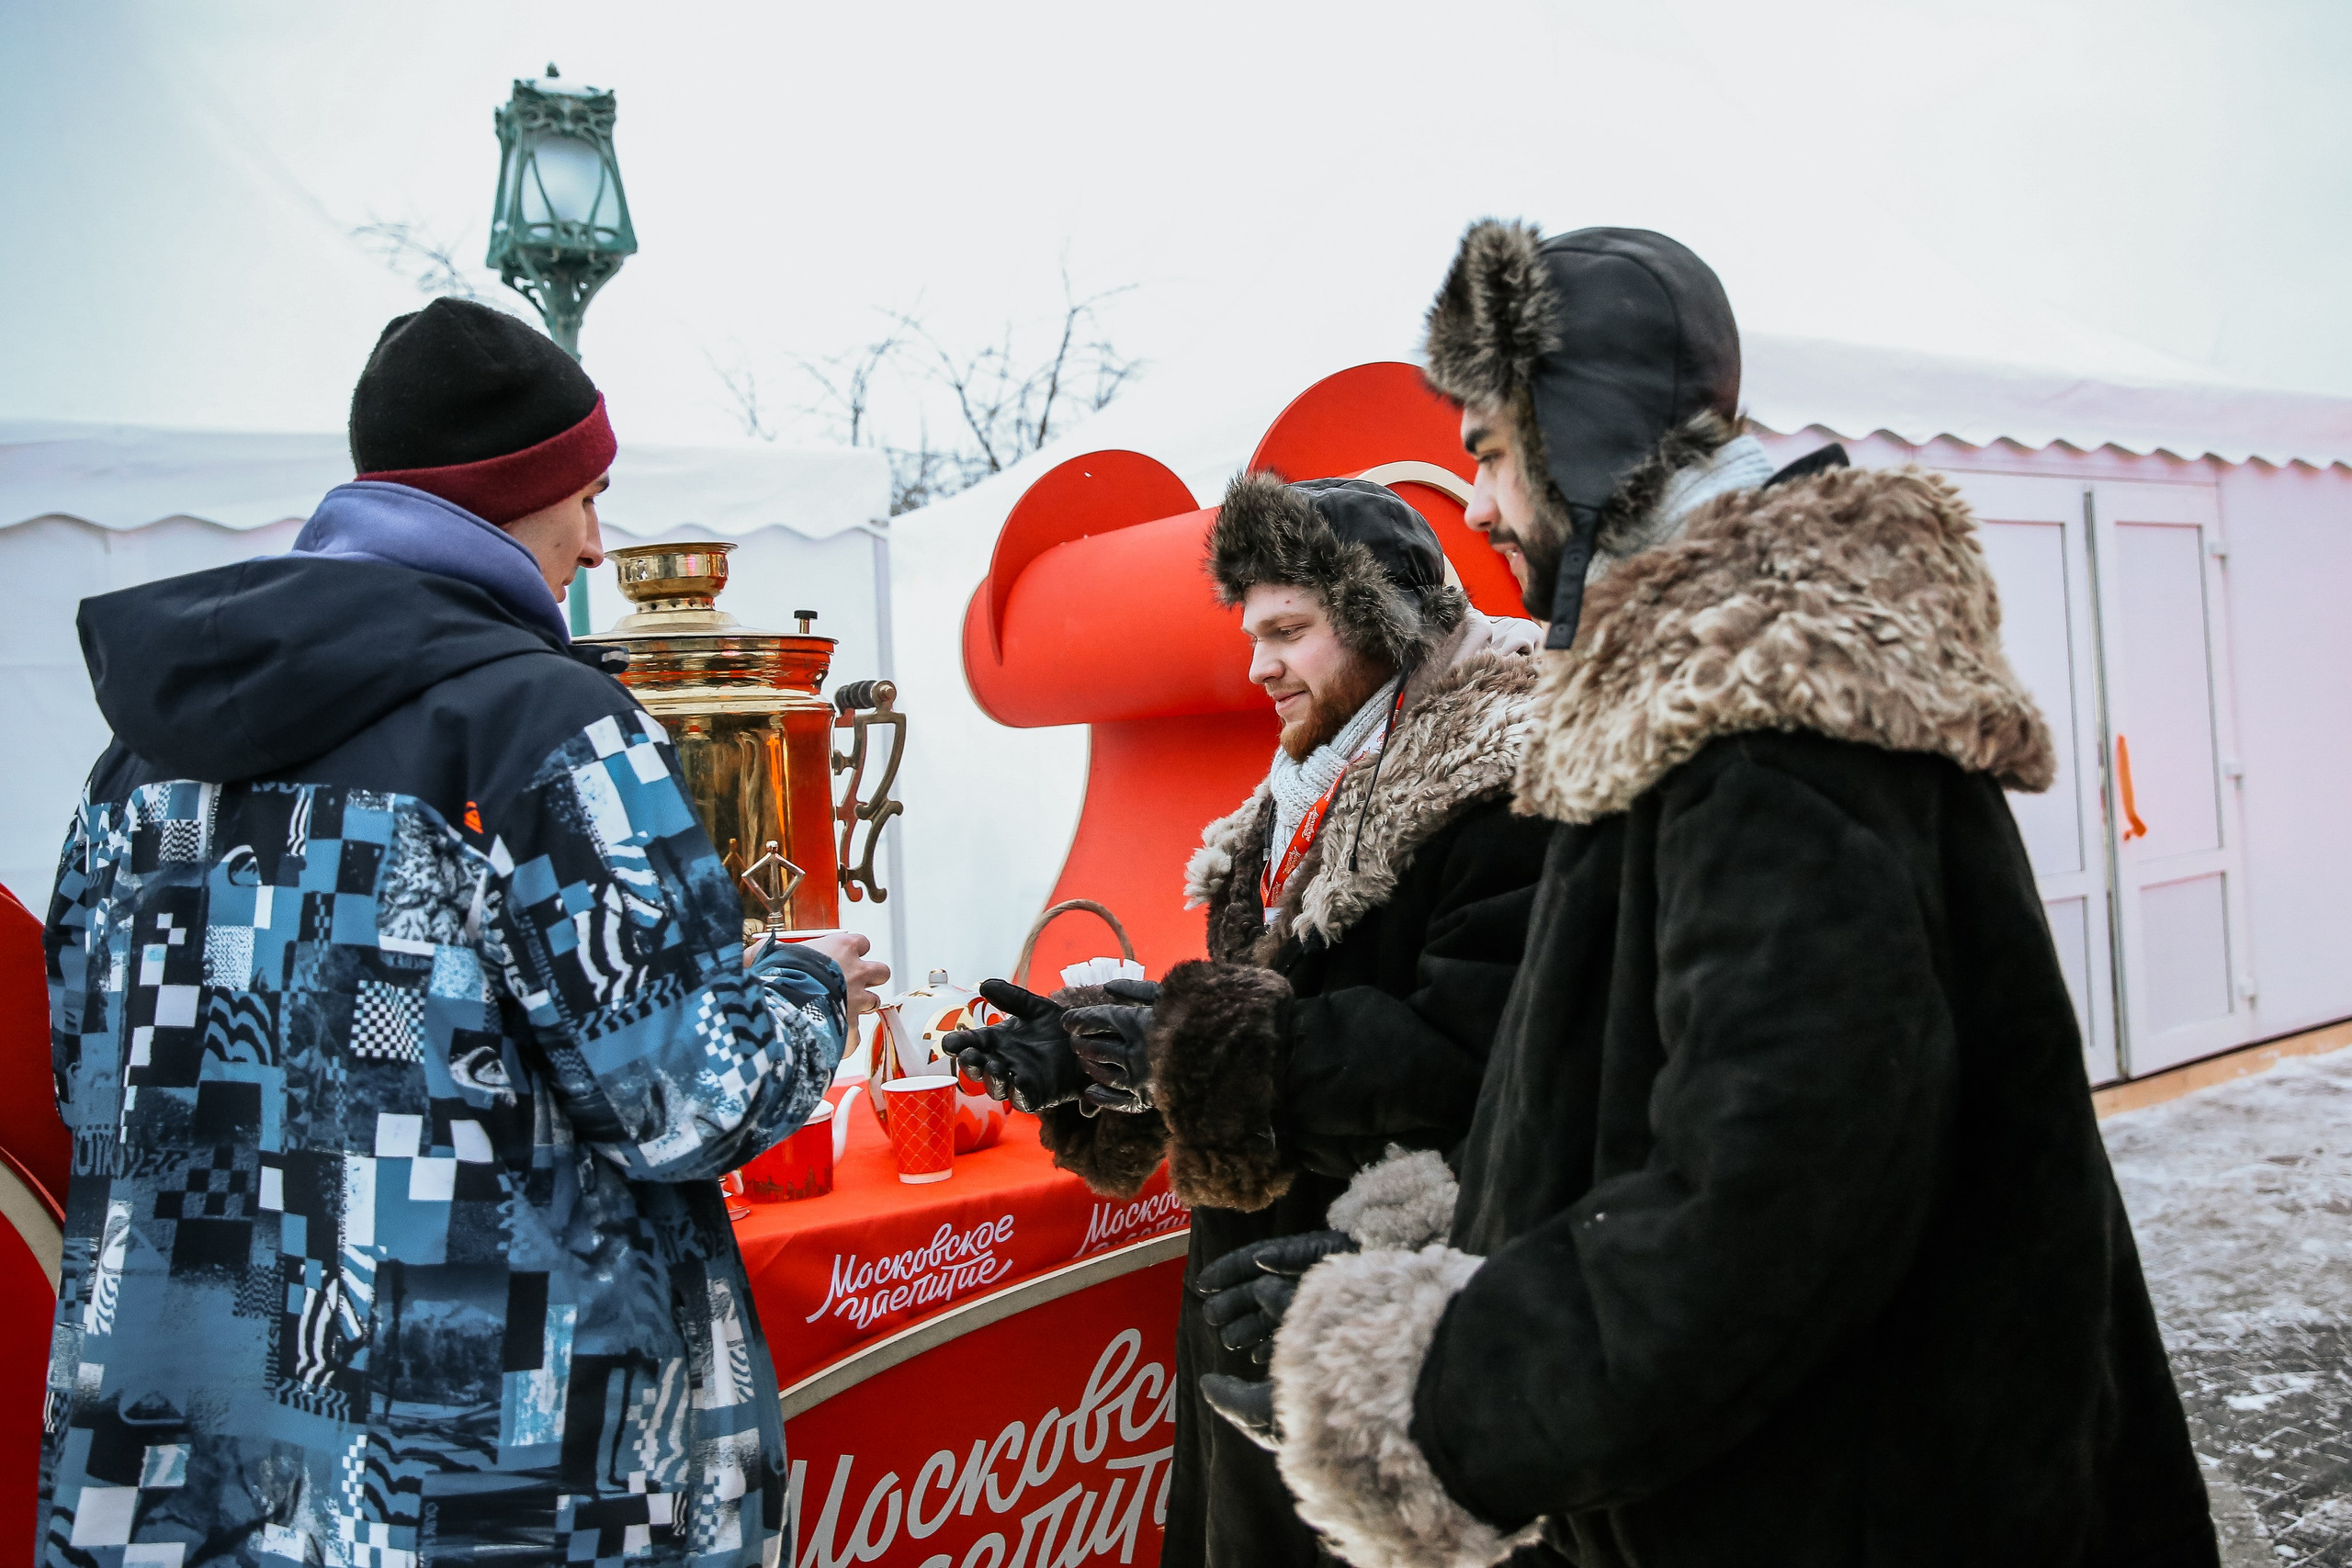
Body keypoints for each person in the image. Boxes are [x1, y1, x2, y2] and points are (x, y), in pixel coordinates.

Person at [1214, 223, 2221, 1567]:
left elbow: (1766, 1207)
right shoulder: (1720, 695)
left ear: (1582, 438)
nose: (1482, 507)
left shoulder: (1770, 730)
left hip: (1861, 1503)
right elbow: (1648, 1103)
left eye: (1493, 454)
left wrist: (1443, 1387)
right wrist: (1455, 1265)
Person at [37, 299, 887, 1568]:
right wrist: (807, 991)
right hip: (493, 1466)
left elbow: (86, 1069)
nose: (592, 542)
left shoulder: (135, 759)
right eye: (584, 499)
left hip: (192, 1461)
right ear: (504, 501)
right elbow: (684, 1098)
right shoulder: (543, 722)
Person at [948, 475, 1551, 1566]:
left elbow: (1472, 1053)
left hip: (1392, 1292)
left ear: (1381, 621)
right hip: (1258, 1284)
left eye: (1288, 631)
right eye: (1252, 634)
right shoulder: (1295, 790)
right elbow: (1268, 1007)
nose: (1257, 667)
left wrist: (1184, 1048)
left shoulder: (1501, 785)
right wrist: (1102, 1061)